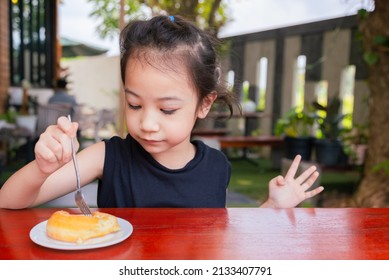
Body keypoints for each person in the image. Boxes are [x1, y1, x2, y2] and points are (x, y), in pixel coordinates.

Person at [0, 15, 323, 209]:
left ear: (204, 104)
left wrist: (271, 208)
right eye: (135, 105)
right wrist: (42, 168)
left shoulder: (216, 167)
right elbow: (9, 200)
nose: (147, 123)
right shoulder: (105, 156)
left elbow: (223, 238)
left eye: (167, 109)